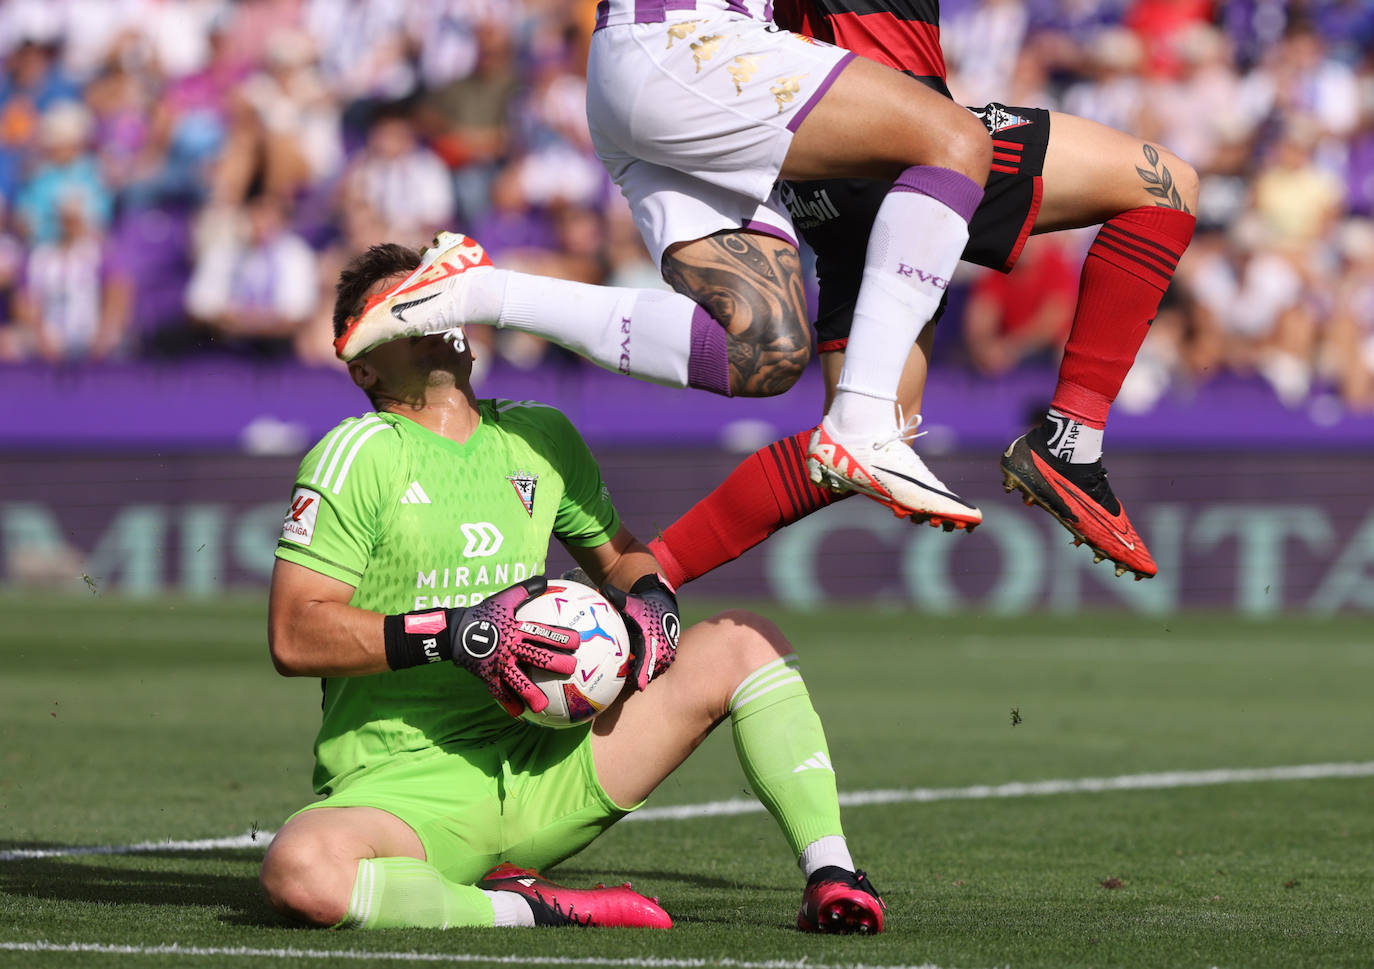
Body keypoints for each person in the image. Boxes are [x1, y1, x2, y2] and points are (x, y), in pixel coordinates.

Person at [259, 243, 886, 935]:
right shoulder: (356, 453)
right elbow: (294, 633)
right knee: (302, 870)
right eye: (409, 304)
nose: (437, 308)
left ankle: (832, 874)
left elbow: (624, 561)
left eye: (442, 293)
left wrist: (654, 605)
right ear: (364, 362)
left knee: (745, 641)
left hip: (548, 767)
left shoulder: (540, 434)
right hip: (407, 794)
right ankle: (529, 907)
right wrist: (460, 631)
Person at [333, 0, 997, 533]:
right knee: (954, 140)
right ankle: (863, 422)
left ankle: (477, 291)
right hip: (688, 42)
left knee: (765, 350)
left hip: (652, 70)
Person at [644, 0, 1200, 585]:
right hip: (906, 137)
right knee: (1165, 188)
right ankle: (1071, 444)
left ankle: (649, 576)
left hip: (816, 178)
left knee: (862, 437)